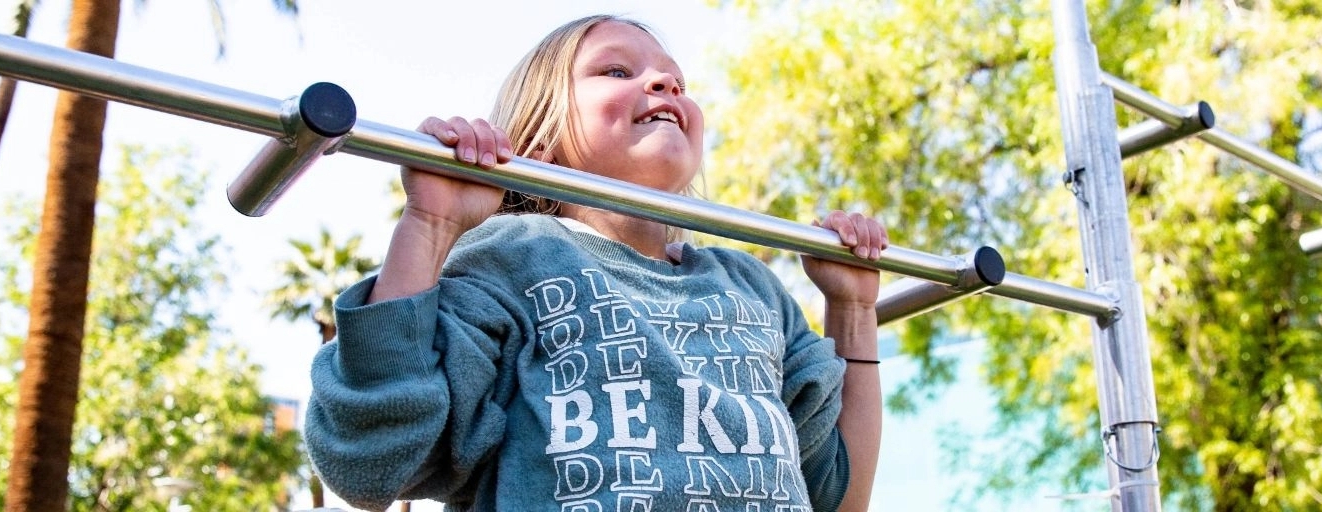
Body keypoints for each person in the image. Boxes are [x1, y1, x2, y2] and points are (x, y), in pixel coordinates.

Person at [305, 14, 886, 512]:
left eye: (677, 81)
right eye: (616, 71)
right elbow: (369, 460)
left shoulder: (751, 289)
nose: (666, 83)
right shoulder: (515, 257)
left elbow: (839, 494)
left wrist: (854, 308)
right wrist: (430, 226)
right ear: (537, 143)